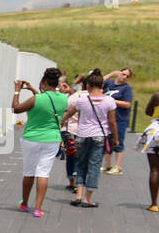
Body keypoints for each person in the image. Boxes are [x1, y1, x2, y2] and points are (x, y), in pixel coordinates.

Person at [12, 67, 68, 217]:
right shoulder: (63, 99)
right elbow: (49, 102)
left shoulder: (37, 99)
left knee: (29, 172)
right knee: (43, 173)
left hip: (32, 138)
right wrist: (32, 89)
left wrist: (17, 90)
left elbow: (16, 108)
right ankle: (38, 208)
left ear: (43, 82)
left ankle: (24, 204)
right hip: (52, 139)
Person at [62, 71, 118, 208]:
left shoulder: (82, 100)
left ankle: (78, 196)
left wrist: (62, 121)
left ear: (88, 85)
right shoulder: (109, 101)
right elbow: (112, 122)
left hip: (82, 136)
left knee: (81, 164)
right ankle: (88, 198)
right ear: (102, 85)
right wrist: (116, 138)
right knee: (94, 167)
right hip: (99, 136)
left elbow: (70, 112)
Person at [102, 67, 135, 174]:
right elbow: (97, 82)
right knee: (107, 141)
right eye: (122, 73)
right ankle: (107, 165)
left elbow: (127, 104)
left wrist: (112, 100)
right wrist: (111, 73)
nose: (123, 77)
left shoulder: (126, 88)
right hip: (106, 117)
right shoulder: (109, 83)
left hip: (119, 118)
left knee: (118, 141)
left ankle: (118, 166)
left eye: (127, 75)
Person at [142, 72, 159, 212]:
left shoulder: (158, 96)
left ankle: (154, 203)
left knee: (155, 169)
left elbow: (148, 111)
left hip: (157, 132)